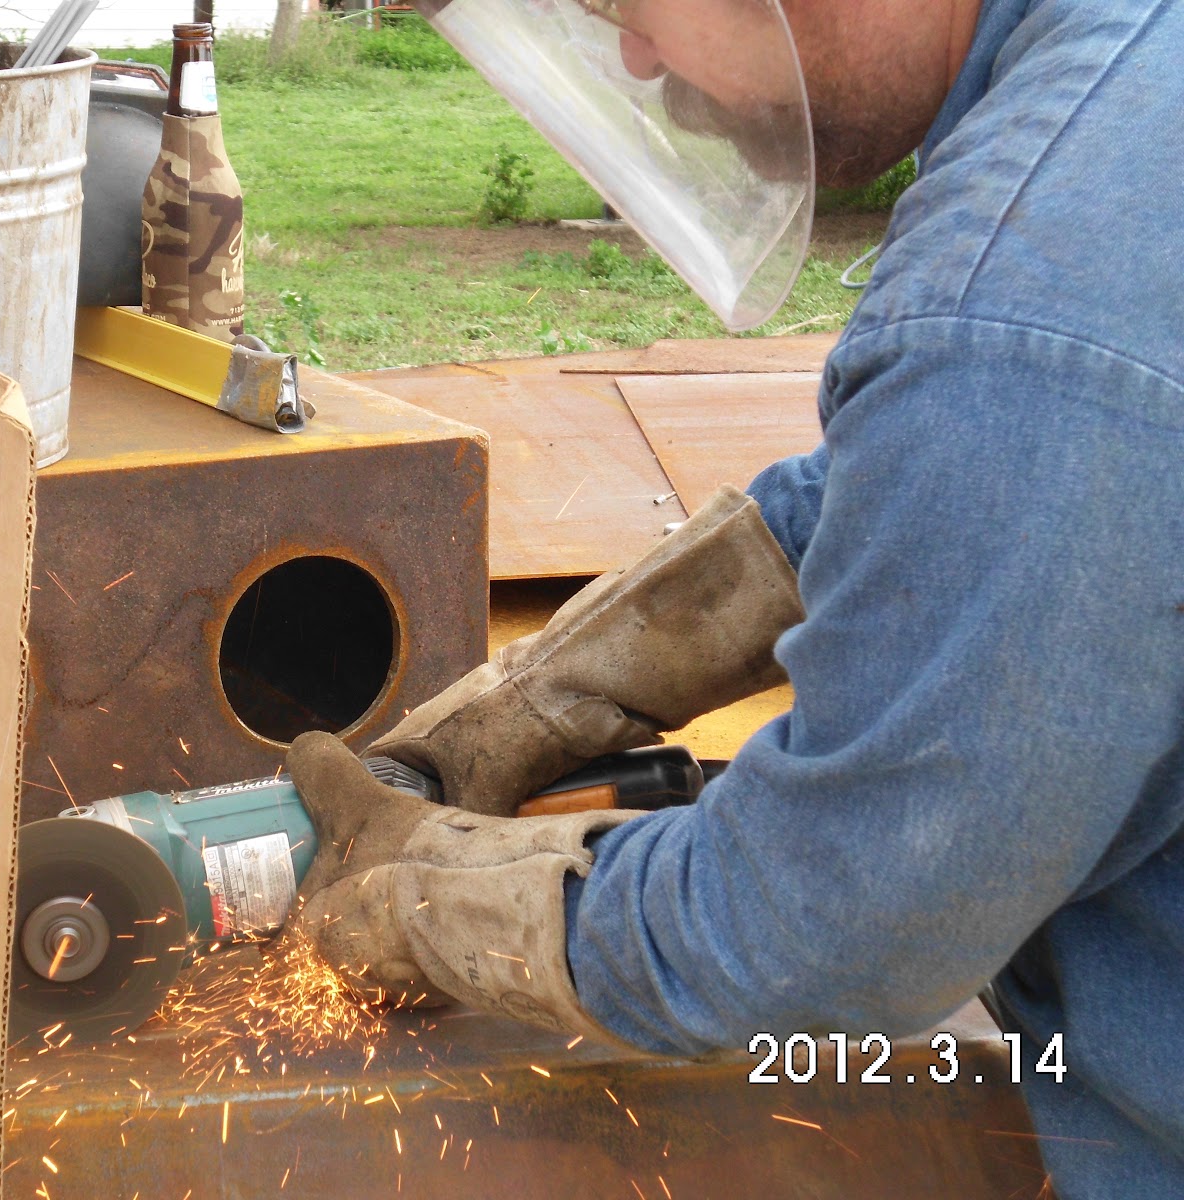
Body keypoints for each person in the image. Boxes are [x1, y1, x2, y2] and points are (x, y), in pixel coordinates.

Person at [283, 0, 1184, 1194]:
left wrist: (437, 904)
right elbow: (917, 490)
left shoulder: (1028, 302)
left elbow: (831, 925)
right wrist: (553, 696)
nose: (637, 59)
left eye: (637, 3)